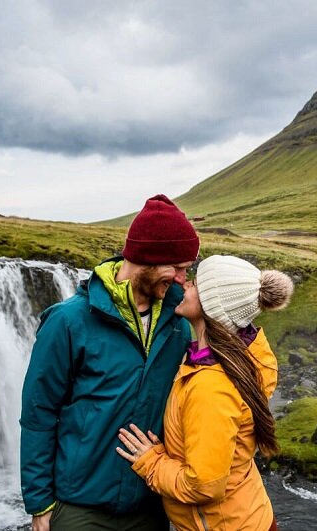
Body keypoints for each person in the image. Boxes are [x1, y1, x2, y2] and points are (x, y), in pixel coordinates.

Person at [20, 194, 200, 531]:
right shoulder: (69, 321)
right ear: (146, 258)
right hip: (80, 507)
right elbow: (38, 413)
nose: (181, 278)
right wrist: (39, 502)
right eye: (175, 267)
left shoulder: (180, 323)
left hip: (151, 504)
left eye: (185, 269)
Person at [116, 255, 294, 531]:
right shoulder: (244, 357)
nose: (185, 285)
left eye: (196, 284)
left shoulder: (211, 387)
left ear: (213, 307)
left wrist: (150, 462)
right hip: (250, 516)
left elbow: (203, 486)